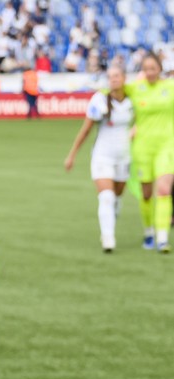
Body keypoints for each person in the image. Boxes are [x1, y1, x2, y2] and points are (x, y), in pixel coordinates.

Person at [64, 65, 133, 252]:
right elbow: (86, 130)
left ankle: (109, 226)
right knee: (107, 197)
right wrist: (72, 155)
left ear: (124, 78)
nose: (114, 79)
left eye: (117, 75)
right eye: (110, 76)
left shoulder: (133, 100)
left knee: (117, 197)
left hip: (124, 157)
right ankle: (108, 238)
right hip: (103, 155)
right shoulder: (100, 100)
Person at [125, 51, 174, 252]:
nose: (150, 72)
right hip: (143, 146)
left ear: (160, 69)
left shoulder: (170, 87)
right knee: (146, 193)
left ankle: (163, 238)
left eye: (153, 68)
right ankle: (148, 232)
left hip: (167, 145)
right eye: (146, 69)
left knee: (163, 190)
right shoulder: (136, 88)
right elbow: (113, 91)